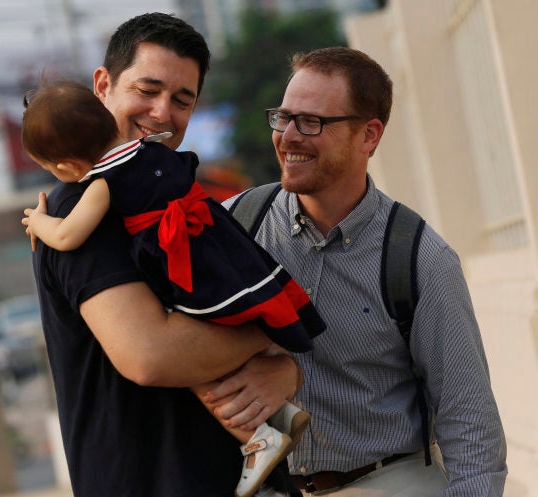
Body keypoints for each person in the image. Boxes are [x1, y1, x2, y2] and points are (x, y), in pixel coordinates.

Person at [23, 12, 302, 497]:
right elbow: (150, 356)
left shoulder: (164, 195)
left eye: (181, 100)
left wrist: (284, 369)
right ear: (103, 84)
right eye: (147, 90)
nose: (160, 113)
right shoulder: (80, 207)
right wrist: (272, 334)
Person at [212, 47, 508, 496]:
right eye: (283, 117)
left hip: (386, 480)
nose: (288, 136)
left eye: (311, 122)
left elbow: (469, 423)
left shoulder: (420, 259)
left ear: (369, 135)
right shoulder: (234, 226)